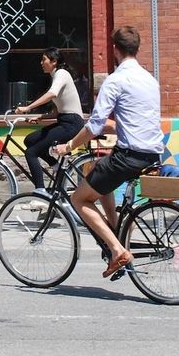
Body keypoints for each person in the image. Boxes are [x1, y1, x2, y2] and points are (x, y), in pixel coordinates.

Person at [51, 25, 165, 278]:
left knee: (79, 199)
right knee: (96, 169)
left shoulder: (116, 80)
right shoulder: (149, 79)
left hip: (128, 157)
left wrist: (69, 146)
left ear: (115, 49)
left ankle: (117, 250)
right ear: (137, 48)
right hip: (152, 154)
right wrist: (113, 127)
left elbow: (95, 125)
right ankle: (116, 230)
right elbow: (136, 118)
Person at [13, 48, 86, 196]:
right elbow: (58, 111)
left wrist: (28, 108)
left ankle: (40, 191)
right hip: (65, 121)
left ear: (54, 61)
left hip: (72, 123)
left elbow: (51, 94)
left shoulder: (61, 74)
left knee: (31, 153)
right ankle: (56, 165)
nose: (41, 63)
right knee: (30, 140)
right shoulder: (56, 76)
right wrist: (40, 117)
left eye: (44, 59)